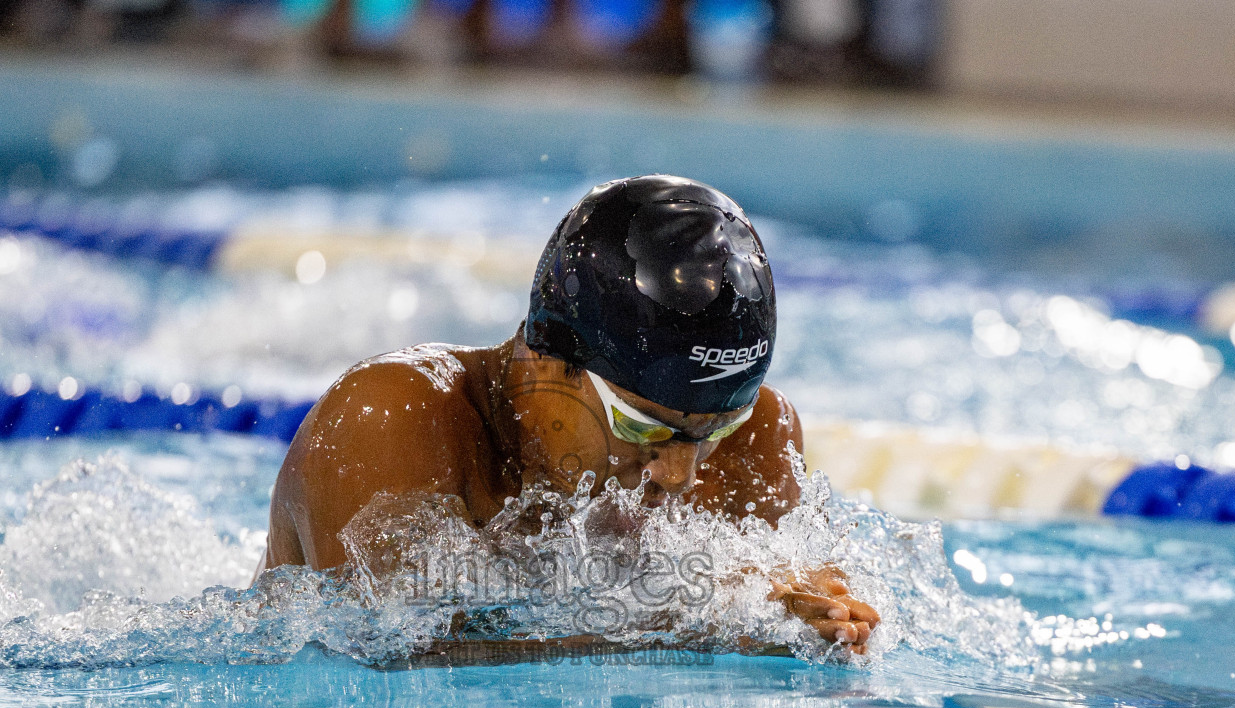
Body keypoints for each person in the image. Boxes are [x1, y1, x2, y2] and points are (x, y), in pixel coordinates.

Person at [259, 174, 879, 652]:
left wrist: (816, 622)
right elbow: (390, 654)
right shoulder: (391, 423)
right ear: (547, 363)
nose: (680, 473)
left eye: (716, 431)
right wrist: (701, 628)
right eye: (642, 426)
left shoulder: (758, 438)